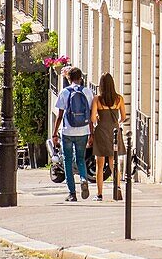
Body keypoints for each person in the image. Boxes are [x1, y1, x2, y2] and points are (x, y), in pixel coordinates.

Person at [51, 68, 93, 201]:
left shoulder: (64, 92)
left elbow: (60, 115)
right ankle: (83, 178)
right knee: (81, 159)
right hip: (83, 131)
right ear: (81, 78)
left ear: (69, 79)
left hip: (67, 131)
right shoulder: (87, 92)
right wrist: (91, 133)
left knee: (67, 161)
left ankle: (72, 193)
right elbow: (90, 115)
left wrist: (54, 133)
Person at [90, 73, 127, 202]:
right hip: (114, 131)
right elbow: (123, 116)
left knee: (99, 165)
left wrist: (99, 118)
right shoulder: (119, 99)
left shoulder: (97, 99)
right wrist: (116, 122)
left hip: (101, 132)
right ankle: (117, 189)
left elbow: (93, 118)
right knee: (113, 163)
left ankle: (99, 194)